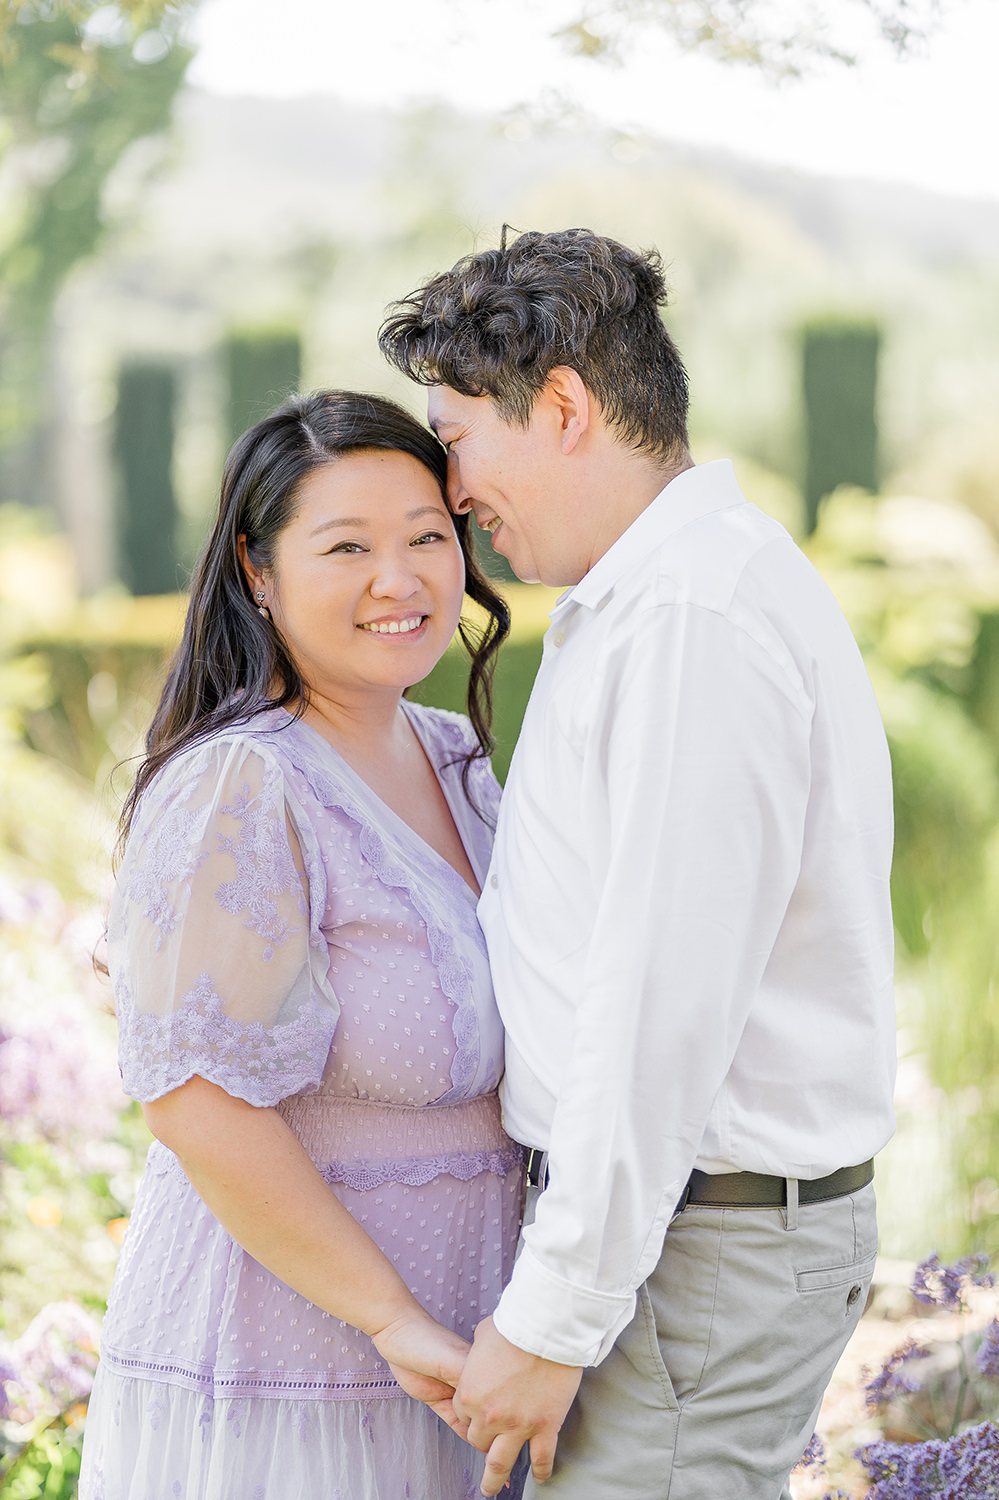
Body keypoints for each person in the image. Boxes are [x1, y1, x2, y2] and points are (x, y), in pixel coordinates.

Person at [379, 227, 897, 1499]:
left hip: (691, 1263)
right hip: (675, 1247)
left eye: (455, 438)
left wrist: (551, 1322)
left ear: (561, 407)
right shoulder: (647, 602)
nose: (451, 492)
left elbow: (657, 1008)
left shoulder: (691, 623)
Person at [79, 390, 528, 1500]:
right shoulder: (244, 782)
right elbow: (195, 1101)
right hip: (295, 1374)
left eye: (430, 537)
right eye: (348, 547)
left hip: (471, 1362)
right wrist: (393, 1320)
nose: (403, 578)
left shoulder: (458, 756)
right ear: (257, 571)